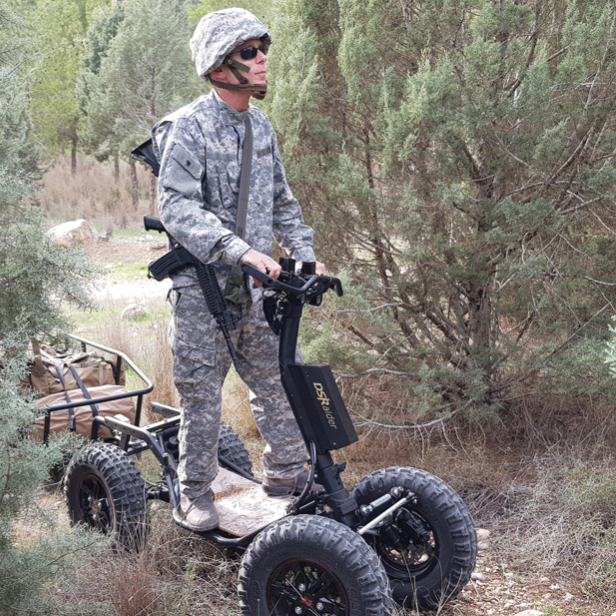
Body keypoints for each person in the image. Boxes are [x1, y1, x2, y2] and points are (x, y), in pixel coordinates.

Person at [151, 7, 325, 532]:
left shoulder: (260, 125)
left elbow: (280, 199)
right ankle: (194, 491)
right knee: (201, 392)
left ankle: (287, 473)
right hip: (202, 285)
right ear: (219, 66)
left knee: (276, 378)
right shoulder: (187, 127)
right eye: (249, 52)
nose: (263, 59)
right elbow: (176, 209)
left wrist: (303, 248)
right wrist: (238, 249)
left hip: (255, 286)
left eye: (262, 48)